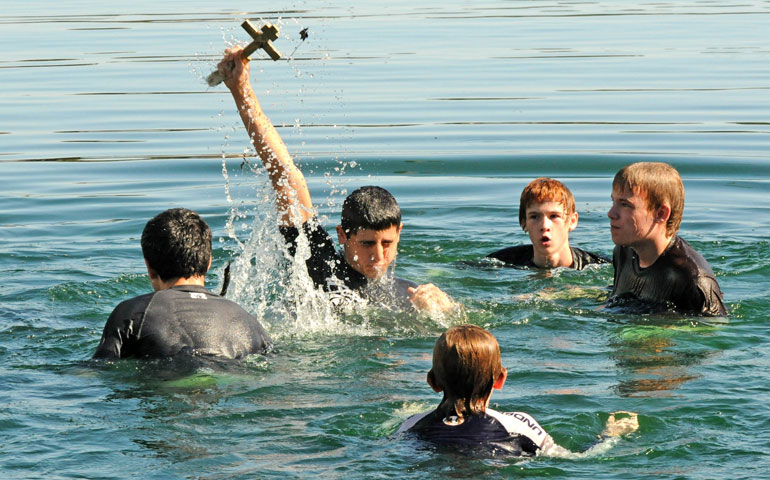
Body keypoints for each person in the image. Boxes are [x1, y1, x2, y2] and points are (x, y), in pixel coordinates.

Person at [216, 46, 456, 315]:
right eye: (367, 244)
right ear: (342, 236)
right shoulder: (317, 262)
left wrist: (446, 310)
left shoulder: (409, 294)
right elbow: (285, 174)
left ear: (399, 233)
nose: (378, 256)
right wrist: (241, 89)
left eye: (387, 243)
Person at [395, 324, 638, 456]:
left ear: (433, 383)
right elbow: (573, 459)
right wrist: (610, 436)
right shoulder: (519, 424)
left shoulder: (410, 426)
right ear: (500, 379)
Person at [93, 208, 272, 359]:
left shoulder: (131, 313)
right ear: (208, 262)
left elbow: (100, 370)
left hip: (165, 386)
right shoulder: (248, 322)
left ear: (149, 267)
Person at [607, 162, 727, 315]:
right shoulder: (624, 251)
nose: (611, 213)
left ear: (661, 213)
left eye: (625, 205)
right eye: (614, 201)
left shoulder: (693, 280)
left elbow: (713, 331)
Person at [487, 177, 608, 270]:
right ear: (524, 223)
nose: (544, 226)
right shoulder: (500, 263)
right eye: (534, 217)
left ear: (572, 221)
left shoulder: (601, 266)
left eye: (554, 216)